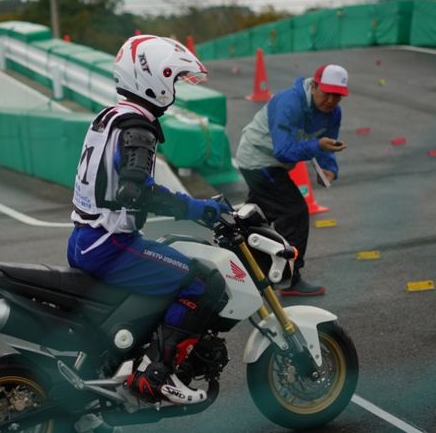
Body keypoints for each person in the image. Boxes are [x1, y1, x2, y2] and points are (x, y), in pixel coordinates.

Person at [67, 35, 231, 405]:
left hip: (86, 237)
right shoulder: (137, 128)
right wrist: (197, 208)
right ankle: (156, 375)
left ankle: (131, 358)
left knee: (169, 260)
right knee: (202, 281)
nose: (174, 90)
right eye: (173, 81)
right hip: (110, 244)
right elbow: (136, 192)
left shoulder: (110, 116)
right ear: (156, 79)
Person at [235, 64, 348, 296]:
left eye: (337, 96)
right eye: (327, 93)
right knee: (294, 211)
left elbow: (328, 143)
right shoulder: (290, 102)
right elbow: (284, 151)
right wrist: (316, 146)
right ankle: (289, 279)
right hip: (258, 159)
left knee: (257, 215)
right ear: (314, 86)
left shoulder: (334, 113)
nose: (331, 100)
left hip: (273, 164)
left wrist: (329, 168)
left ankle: (241, 262)